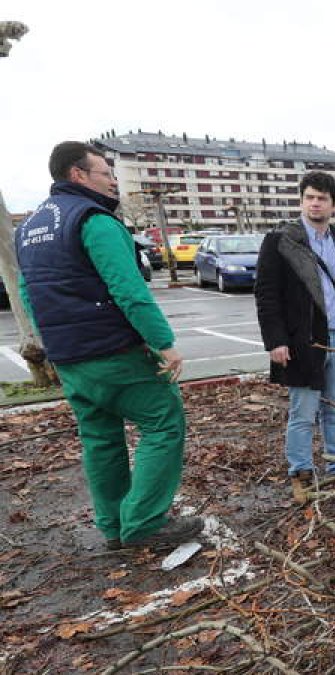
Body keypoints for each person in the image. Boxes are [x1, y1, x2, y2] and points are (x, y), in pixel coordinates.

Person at [14, 141, 197, 550]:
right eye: (105, 174)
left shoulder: (27, 229)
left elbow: (29, 292)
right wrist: (163, 343)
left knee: (100, 437)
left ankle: (113, 526)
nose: (113, 182)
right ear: (78, 175)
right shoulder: (93, 220)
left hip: (69, 358)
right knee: (163, 423)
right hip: (114, 352)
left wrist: (54, 341)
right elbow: (128, 289)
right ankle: (145, 524)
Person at [254, 171, 335, 505]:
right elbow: (266, 294)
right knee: (303, 411)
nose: (315, 203)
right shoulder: (282, 240)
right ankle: (302, 473)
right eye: (309, 197)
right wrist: (275, 341)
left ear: (333, 205)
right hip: (302, 340)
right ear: (302, 200)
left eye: (322, 198)